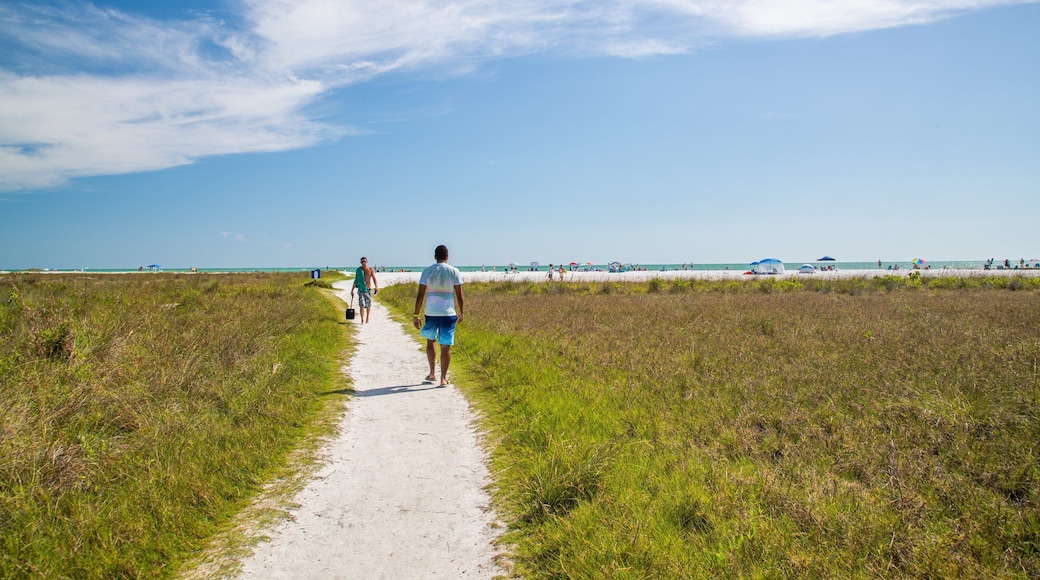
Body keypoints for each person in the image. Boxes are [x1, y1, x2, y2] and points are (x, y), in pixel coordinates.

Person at [413, 245, 464, 387]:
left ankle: (432, 373)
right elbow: (459, 296)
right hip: (448, 313)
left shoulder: (427, 271)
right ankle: (443, 378)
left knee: (430, 342)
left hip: (431, 312)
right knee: (445, 346)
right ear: (447, 256)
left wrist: (416, 314)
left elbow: (420, 295)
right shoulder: (454, 271)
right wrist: (461, 312)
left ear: (435, 256)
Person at [351, 256, 379, 323]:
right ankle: (362, 319)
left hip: (368, 289)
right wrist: (352, 290)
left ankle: (367, 318)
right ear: (361, 262)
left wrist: (376, 286)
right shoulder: (359, 270)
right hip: (361, 290)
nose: (364, 263)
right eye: (362, 261)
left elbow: (374, 279)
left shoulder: (370, 270)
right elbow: (356, 280)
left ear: (367, 262)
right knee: (362, 305)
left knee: (368, 305)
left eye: (365, 261)